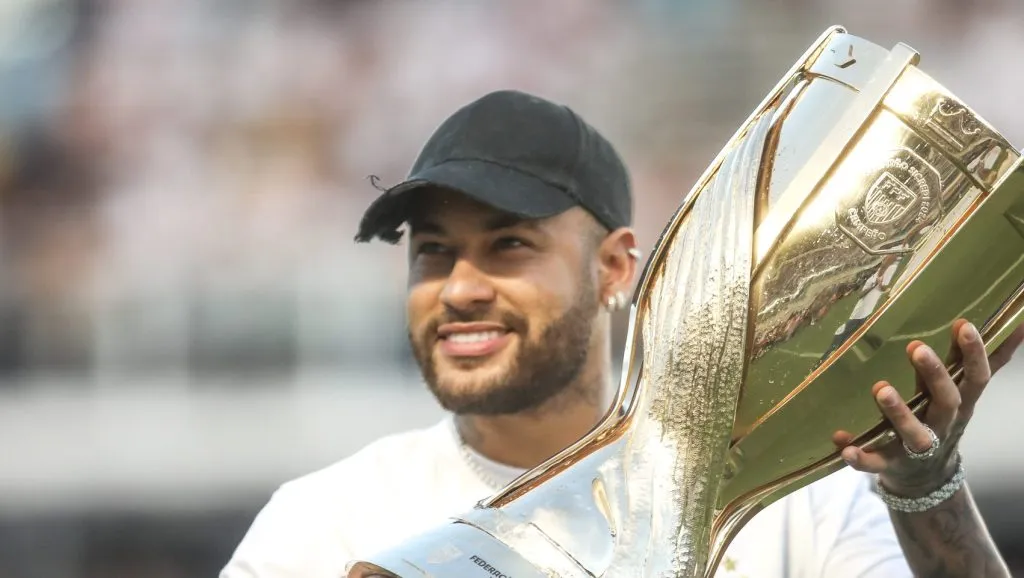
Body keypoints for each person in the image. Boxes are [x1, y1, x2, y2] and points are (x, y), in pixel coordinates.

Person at [220, 90, 1024, 577]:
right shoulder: (323, 523)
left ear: (614, 268)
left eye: (509, 245)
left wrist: (925, 492)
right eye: (433, 252)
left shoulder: (798, 506)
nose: (459, 288)